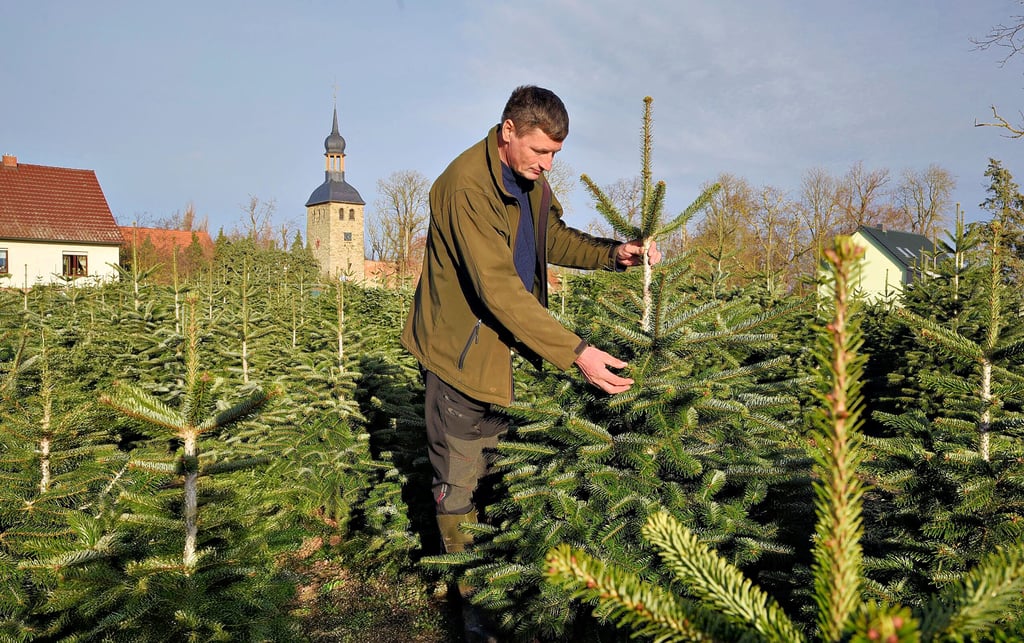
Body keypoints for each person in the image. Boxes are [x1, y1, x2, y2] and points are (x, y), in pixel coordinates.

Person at [400, 85, 660, 639]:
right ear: (508, 131)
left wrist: (614, 253)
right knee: (460, 480)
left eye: (555, 156)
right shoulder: (465, 187)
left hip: (509, 350)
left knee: (504, 467)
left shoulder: (529, 183)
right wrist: (577, 352)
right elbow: (496, 289)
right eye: (540, 151)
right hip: (460, 354)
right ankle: (471, 605)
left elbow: (553, 239)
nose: (546, 165)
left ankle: (510, 581)